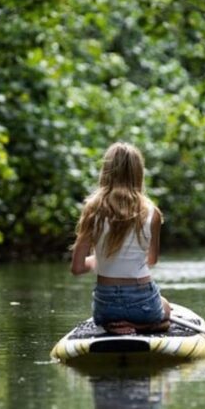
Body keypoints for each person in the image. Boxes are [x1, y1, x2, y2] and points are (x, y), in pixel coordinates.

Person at [70, 142, 171, 335]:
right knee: (166, 309)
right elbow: (151, 261)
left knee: (114, 311)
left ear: (106, 171)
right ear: (138, 173)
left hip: (106, 308)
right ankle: (141, 327)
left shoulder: (92, 209)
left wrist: (99, 260)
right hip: (142, 303)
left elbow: (77, 268)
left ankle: (116, 326)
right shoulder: (152, 212)